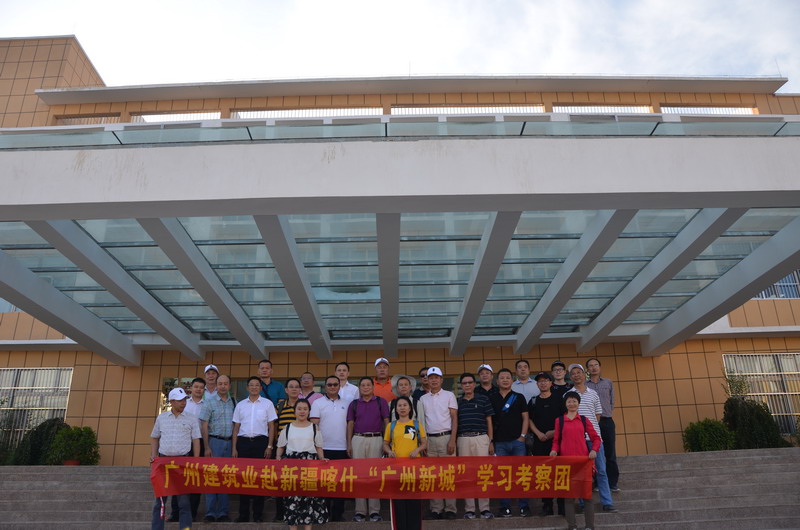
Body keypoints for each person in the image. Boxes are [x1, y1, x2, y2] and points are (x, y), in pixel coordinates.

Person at [568, 363, 618, 513]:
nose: (576, 375)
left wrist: (591, 431)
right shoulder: (568, 395)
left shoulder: (593, 393)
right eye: (573, 373)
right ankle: (583, 503)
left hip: (595, 439)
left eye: (579, 372)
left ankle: (607, 502)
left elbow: (597, 415)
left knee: (601, 471)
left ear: (584, 375)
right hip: (577, 440)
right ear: (570, 377)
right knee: (581, 473)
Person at [150, 387, 200, 530]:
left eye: (184, 400)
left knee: (184, 502)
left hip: (182, 463)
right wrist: (153, 455)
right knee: (160, 502)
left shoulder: (191, 418)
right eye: (179, 400)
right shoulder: (162, 418)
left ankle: (185, 528)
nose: (183, 403)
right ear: (171, 401)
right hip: (163, 463)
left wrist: (196, 460)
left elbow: (196, 440)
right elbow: (155, 437)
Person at [550, 391, 600, 530]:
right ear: (565, 404)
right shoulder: (560, 421)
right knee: (569, 498)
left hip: (584, 463)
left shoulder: (584, 420)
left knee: (587, 497)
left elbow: (596, 438)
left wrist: (594, 450)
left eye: (574, 401)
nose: (572, 404)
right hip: (566, 464)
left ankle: (589, 526)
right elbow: (556, 441)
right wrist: (554, 450)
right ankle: (572, 526)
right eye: (569, 401)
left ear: (578, 403)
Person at [276, 398, 329, 530]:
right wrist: (278, 458)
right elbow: (281, 447)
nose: (302, 411)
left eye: (305, 409)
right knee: (292, 498)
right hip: (292, 466)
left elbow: (319, 447)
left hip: (310, 465)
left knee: (309, 498)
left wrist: (322, 459)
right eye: (299, 409)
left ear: (309, 411)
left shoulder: (314, 427)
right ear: (294, 411)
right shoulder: (287, 428)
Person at [232, 376, 278, 523]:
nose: (254, 387)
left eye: (257, 385)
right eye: (251, 385)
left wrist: (270, 446)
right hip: (243, 443)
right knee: (243, 479)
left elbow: (271, 426)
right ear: (247, 388)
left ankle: (258, 515)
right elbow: (236, 427)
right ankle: (243, 515)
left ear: (260, 388)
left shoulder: (267, 404)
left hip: (261, 443)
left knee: (260, 479)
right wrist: (234, 448)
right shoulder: (240, 405)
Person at [347, 376, 390, 522]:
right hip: (358, 439)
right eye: (363, 385)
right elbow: (350, 424)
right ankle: (360, 511)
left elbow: (386, 422)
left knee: (375, 476)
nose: (365, 387)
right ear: (359, 388)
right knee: (359, 476)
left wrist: (387, 442)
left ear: (373, 387)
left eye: (368, 385)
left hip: (376, 439)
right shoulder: (354, 404)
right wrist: (349, 443)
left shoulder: (380, 402)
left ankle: (374, 511)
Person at [310, 375, 352, 522]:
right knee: (324, 483)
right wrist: (316, 447)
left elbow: (350, 426)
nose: (332, 387)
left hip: (342, 448)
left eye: (335, 384)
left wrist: (349, 444)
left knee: (340, 483)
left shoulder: (347, 403)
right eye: (329, 385)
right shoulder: (317, 403)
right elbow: (314, 426)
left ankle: (338, 514)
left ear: (339, 386)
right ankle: (324, 513)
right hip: (324, 449)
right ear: (325, 386)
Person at [490, 368, 530, 518]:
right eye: (502, 378)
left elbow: (525, 418)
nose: (505, 380)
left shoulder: (519, 397)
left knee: (521, 474)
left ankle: (524, 506)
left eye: (508, 377)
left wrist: (523, 436)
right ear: (497, 381)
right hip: (499, 443)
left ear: (512, 380)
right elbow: (489, 421)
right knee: (502, 476)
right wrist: (491, 441)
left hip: (517, 442)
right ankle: (504, 507)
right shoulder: (492, 398)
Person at [418, 366, 458, 520]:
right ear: (427, 380)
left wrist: (452, 439)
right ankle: (436, 509)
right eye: (431, 378)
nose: (433, 380)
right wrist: (424, 442)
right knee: (432, 476)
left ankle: (450, 509)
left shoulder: (449, 395)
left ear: (441, 380)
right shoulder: (423, 399)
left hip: (446, 437)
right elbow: (422, 422)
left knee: (448, 475)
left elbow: (454, 418)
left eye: (436, 377)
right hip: (429, 440)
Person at [383, 396, 427, 530]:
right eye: (399, 406)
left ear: (410, 408)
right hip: (397, 469)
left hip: (414, 468)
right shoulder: (391, 426)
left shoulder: (416, 425)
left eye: (405, 405)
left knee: (414, 501)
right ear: (396, 409)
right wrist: (389, 451)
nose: (402, 408)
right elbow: (385, 444)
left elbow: (424, 443)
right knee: (399, 502)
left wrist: (417, 450)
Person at [456, 372, 495, 520]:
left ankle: (485, 508)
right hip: (463, 439)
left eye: (470, 382)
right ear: (461, 386)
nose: (467, 385)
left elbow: (489, 421)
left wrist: (490, 441)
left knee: (483, 473)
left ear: (474, 384)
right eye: (464, 383)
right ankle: (470, 509)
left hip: (481, 438)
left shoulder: (484, 399)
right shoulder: (458, 402)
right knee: (467, 475)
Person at [199, 374, 235, 523]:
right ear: (216, 385)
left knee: (226, 477)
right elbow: (204, 425)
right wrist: (206, 446)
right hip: (214, 442)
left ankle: (223, 512)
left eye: (226, 383)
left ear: (229, 386)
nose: (223, 386)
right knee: (211, 477)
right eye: (220, 383)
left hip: (229, 442)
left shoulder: (234, 402)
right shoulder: (209, 402)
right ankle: (210, 512)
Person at [528, 371, 564, 517]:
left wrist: (554, 432)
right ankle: (547, 505)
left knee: (559, 473)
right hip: (539, 442)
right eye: (540, 381)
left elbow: (565, 418)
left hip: (557, 442)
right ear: (537, 384)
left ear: (551, 383)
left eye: (545, 380)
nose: (543, 383)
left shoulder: (559, 399)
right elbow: (529, 420)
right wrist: (538, 433)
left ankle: (562, 505)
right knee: (543, 474)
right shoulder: (533, 401)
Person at [586, 357, 620, 492]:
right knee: (592, 452)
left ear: (599, 367)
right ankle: (596, 483)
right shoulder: (585, 385)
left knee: (610, 452)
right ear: (587, 369)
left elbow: (611, 402)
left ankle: (612, 483)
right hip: (591, 422)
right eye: (590, 365)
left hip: (606, 421)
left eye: (596, 365)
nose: (593, 367)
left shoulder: (608, 382)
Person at [176, 377, 205, 522]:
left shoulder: (207, 405)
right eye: (196, 387)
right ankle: (176, 513)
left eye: (201, 387)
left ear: (204, 390)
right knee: (179, 478)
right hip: (183, 442)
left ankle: (192, 512)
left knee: (196, 478)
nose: (198, 389)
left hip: (201, 443)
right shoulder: (184, 404)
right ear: (191, 388)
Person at [274, 378, 302, 522]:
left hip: (300, 450)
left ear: (300, 390)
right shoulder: (279, 406)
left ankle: (298, 512)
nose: (294, 389)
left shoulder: (303, 406)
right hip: (283, 450)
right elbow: (274, 426)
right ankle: (280, 513)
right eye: (291, 387)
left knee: (298, 483)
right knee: (281, 483)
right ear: (286, 390)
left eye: (297, 387)